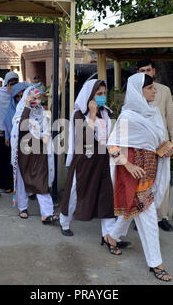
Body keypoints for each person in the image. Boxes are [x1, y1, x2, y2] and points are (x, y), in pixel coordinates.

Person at [106, 73, 173, 282]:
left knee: (133, 211)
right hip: (134, 174)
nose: (155, 91)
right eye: (150, 88)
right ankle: (156, 264)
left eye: (154, 87)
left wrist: (167, 150)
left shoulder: (152, 113)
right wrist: (128, 164)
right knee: (148, 216)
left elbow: (158, 143)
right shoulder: (128, 117)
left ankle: (112, 237)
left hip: (152, 171)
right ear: (138, 92)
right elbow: (112, 145)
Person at [60, 80, 123, 245]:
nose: (102, 97)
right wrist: (93, 115)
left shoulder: (106, 113)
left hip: (102, 159)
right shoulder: (79, 114)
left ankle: (108, 234)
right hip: (83, 160)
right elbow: (85, 138)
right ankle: (64, 222)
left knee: (105, 194)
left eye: (104, 93)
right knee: (74, 190)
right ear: (90, 96)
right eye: (99, 94)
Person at [136, 59, 173, 232]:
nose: (146, 73)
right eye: (142, 70)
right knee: (143, 181)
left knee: (162, 181)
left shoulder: (164, 91)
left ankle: (161, 218)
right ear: (137, 73)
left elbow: (170, 118)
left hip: (162, 144)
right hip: (142, 145)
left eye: (148, 70)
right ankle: (140, 217)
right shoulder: (134, 92)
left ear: (154, 71)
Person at [10, 86, 58, 225]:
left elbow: (46, 129)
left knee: (41, 180)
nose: (36, 101)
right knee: (23, 180)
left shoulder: (42, 113)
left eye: (38, 98)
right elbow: (21, 127)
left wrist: (46, 135)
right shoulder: (21, 112)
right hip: (25, 154)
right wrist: (27, 106)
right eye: (33, 98)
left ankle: (47, 214)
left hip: (39, 152)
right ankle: (23, 208)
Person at [0, 72, 19, 192]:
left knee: (14, 160)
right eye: (11, 84)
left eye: (16, 83)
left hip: (15, 132)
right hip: (1, 132)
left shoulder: (19, 95)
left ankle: (15, 185)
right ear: (6, 83)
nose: (13, 86)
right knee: (4, 160)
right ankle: (6, 185)